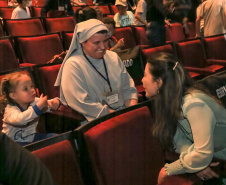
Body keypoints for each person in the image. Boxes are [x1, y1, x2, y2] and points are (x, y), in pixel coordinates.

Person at [142, 52, 226, 184]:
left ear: (159, 82)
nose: (142, 80)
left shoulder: (193, 104)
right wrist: (195, 163)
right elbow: (179, 140)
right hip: (216, 160)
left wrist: (168, 170)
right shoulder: (169, 102)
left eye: (145, 75)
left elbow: (203, 154)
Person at [55, 19, 138, 122]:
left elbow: (128, 88)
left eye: (105, 40)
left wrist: (132, 113)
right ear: (82, 42)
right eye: (96, 42)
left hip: (122, 115)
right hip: (96, 122)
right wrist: (119, 117)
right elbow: (83, 103)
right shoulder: (73, 65)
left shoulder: (113, 57)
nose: (103, 47)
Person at [0, 72, 60, 146]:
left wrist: (56, 102)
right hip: (12, 144)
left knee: (56, 138)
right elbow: (21, 119)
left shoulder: (34, 101)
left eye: (31, 86)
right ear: (13, 96)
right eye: (25, 89)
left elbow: (48, 104)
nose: (32, 90)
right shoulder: (9, 111)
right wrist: (38, 107)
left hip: (32, 138)